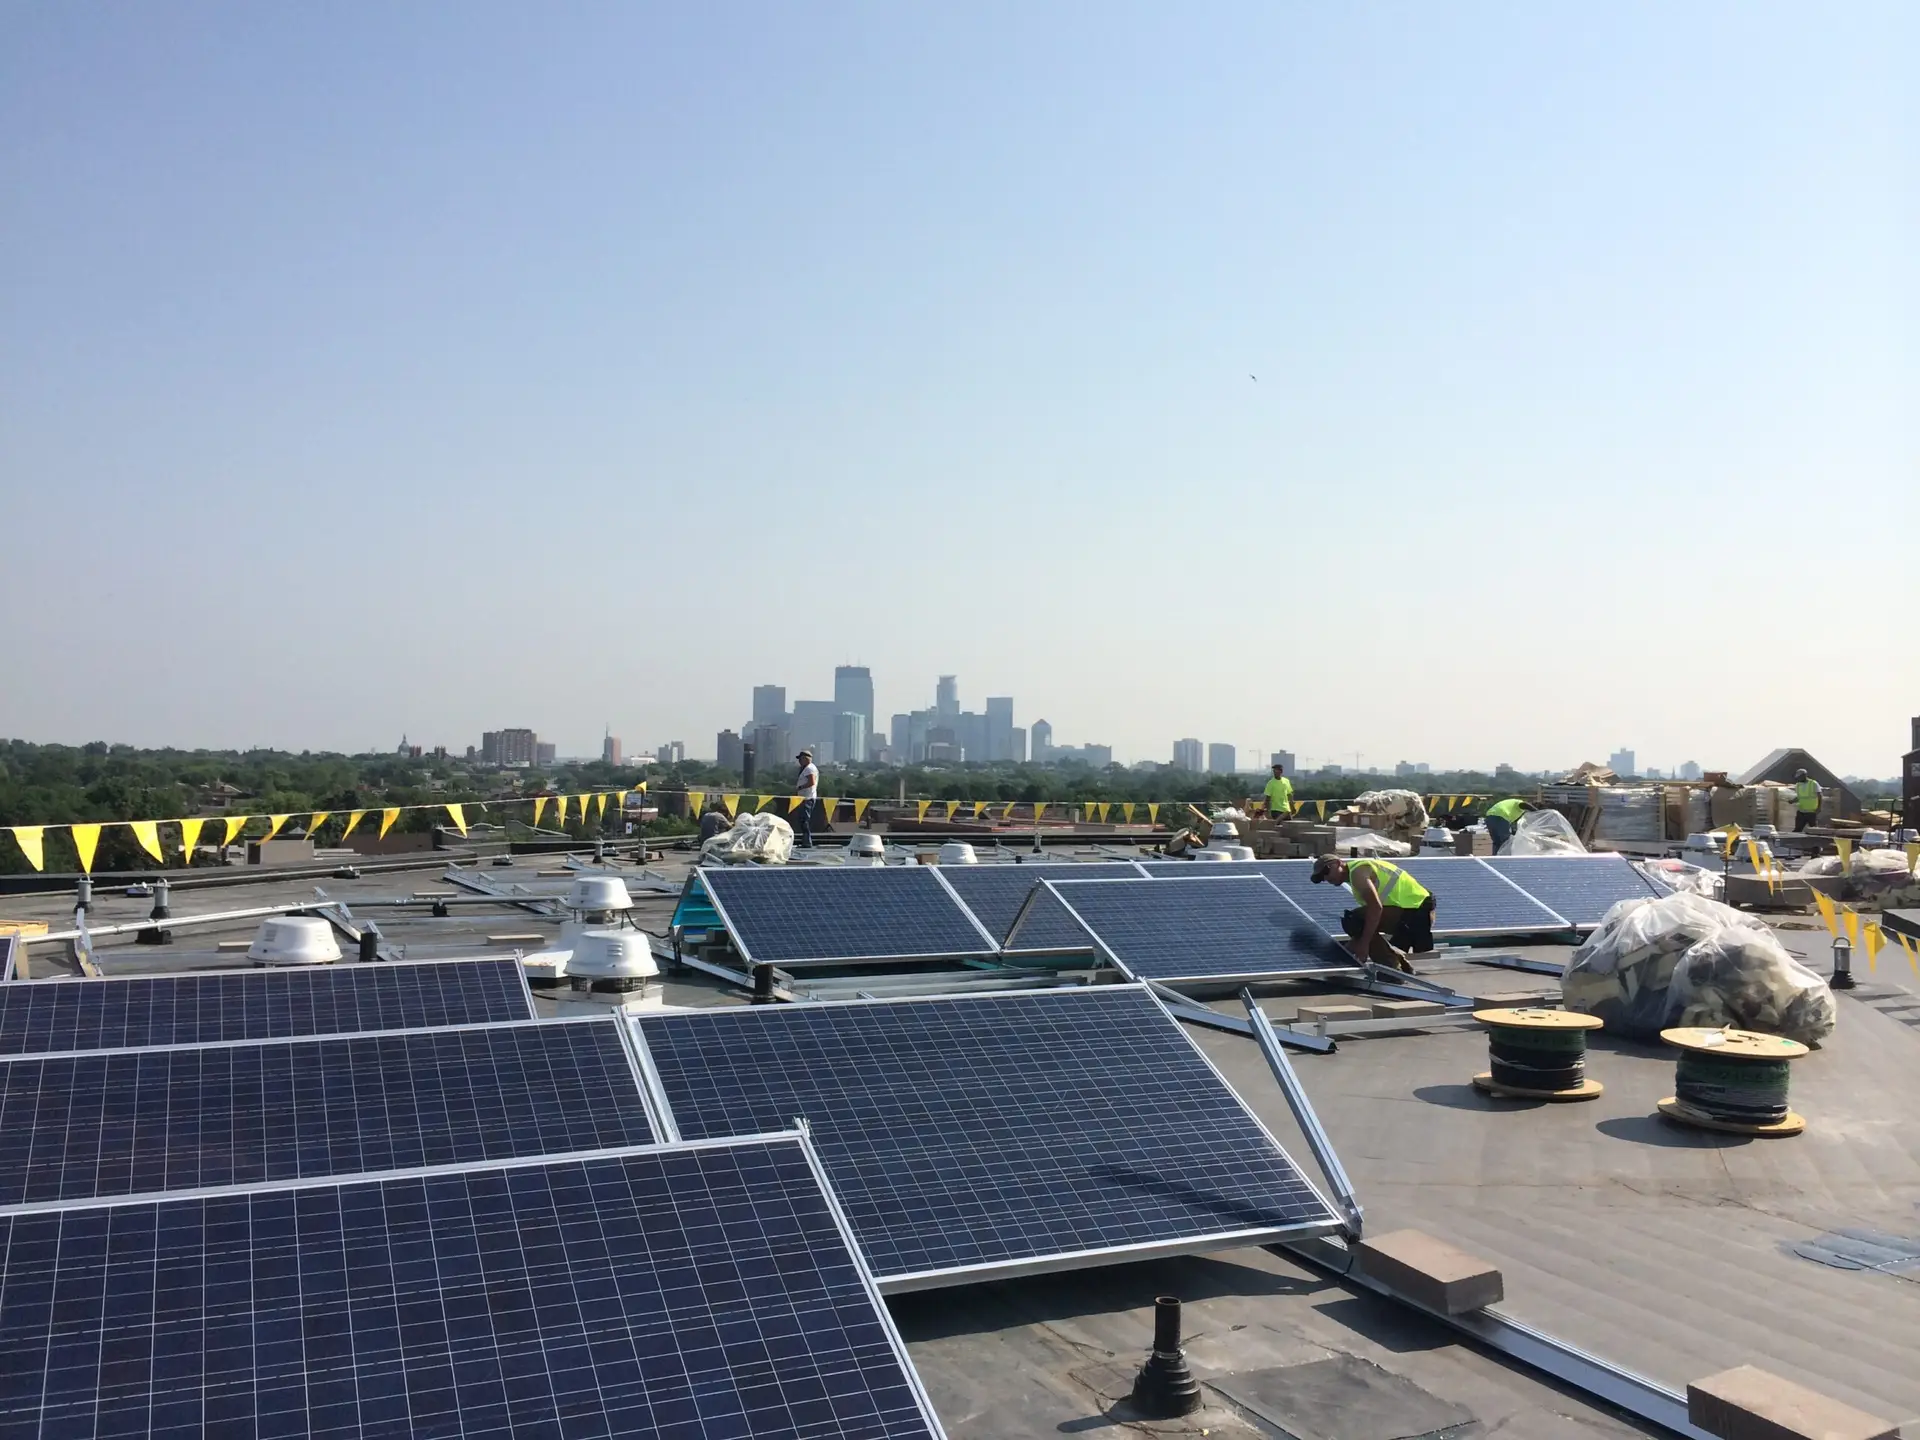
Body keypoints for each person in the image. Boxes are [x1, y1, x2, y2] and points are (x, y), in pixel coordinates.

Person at [1310, 853, 1434, 974]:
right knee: (1360, 924)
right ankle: (1398, 963)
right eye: (1321, 877)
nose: (1326, 878)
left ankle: (1391, 971)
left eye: (1326, 871)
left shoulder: (1358, 872)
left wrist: (1363, 945)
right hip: (1416, 911)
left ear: (1338, 863)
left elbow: (1375, 909)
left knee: (1354, 920)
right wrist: (1348, 949)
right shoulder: (1356, 872)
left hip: (1417, 912)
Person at [794, 749, 820, 847]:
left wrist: (800, 787)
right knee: (802, 820)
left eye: (800, 759)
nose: (799, 761)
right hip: (804, 798)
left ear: (805, 759)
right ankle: (805, 841)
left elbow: (811, 782)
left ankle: (807, 842)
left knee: (804, 820)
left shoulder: (809, 769)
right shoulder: (808, 768)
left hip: (807, 798)